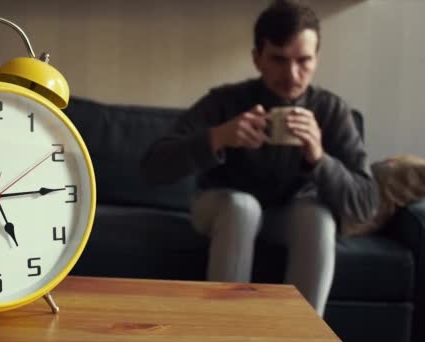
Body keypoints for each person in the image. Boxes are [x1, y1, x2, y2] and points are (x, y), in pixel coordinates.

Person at [140, 0, 378, 317]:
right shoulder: (225, 101)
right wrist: (219, 137)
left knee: (318, 217)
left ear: (316, 59)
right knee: (243, 208)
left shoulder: (331, 111)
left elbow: (366, 205)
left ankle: (301, 335)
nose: (292, 74)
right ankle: (225, 332)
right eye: (279, 60)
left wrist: (320, 158)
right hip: (221, 207)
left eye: (303, 61)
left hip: (290, 216)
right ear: (257, 59)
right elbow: (152, 167)